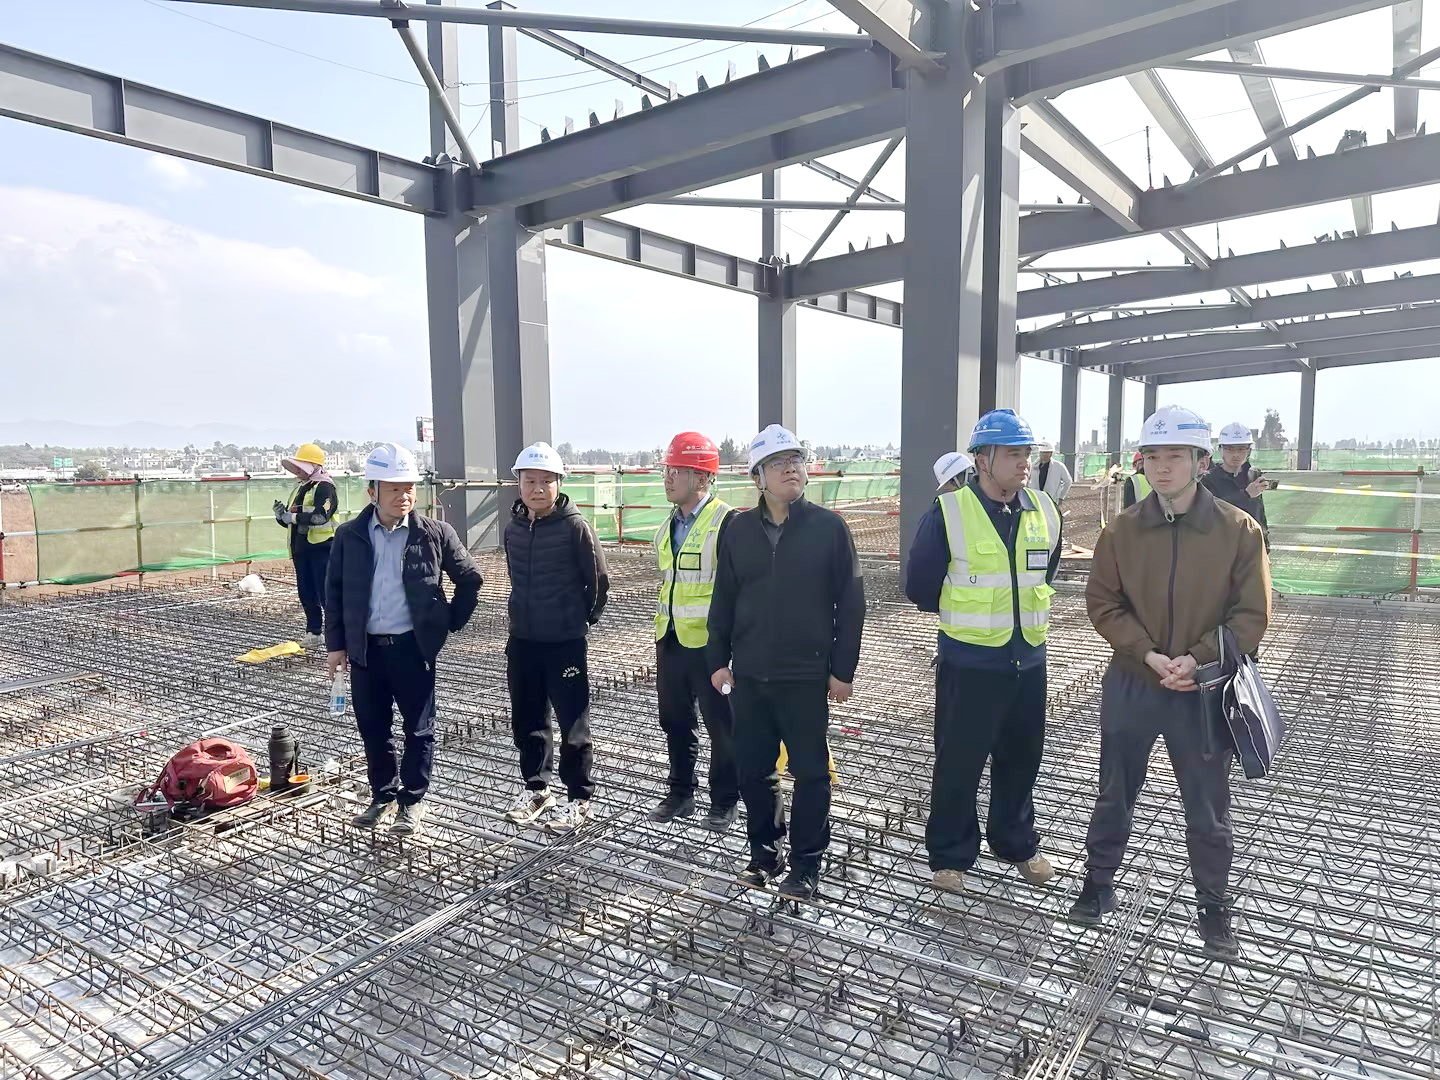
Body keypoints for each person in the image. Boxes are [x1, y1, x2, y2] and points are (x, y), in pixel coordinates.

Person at [1072, 405, 1270, 960]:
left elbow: (1251, 614)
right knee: (1114, 791)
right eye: (1153, 456)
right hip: (1135, 681)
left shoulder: (1237, 530)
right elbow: (1103, 603)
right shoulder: (1122, 530)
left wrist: (1198, 660)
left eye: (1175, 457)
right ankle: (1097, 884)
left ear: (1201, 462)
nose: (1162, 468)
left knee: (1207, 804)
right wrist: (1149, 653)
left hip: (1202, 691)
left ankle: (1214, 907)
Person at [905, 409, 1062, 895]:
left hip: (1028, 661)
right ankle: (950, 856)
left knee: (1021, 759)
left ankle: (1016, 843)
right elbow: (920, 585)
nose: (1023, 463)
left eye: (1025, 453)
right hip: (970, 663)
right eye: (1012, 454)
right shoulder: (950, 511)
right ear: (982, 460)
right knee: (959, 762)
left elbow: (1047, 570)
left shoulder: (1043, 510)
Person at [707, 424, 865, 900]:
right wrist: (717, 660)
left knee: (812, 772)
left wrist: (842, 670)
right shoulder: (738, 531)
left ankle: (806, 864)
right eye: (777, 463)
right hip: (750, 675)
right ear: (758, 477)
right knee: (754, 770)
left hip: (805, 675)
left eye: (795, 459)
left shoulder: (829, 529)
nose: (790, 468)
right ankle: (765, 854)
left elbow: (851, 603)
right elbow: (724, 598)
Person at [325, 442, 482, 838]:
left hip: (413, 649)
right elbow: (335, 592)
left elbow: (470, 578)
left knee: (419, 729)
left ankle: (411, 801)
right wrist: (336, 645)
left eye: (409, 487)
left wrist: (448, 622)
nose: (404, 495)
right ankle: (382, 795)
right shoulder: (349, 535)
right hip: (366, 651)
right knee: (373, 729)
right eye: (394, 488)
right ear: (372, 491)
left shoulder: (434, 533)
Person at [501, 441, 610, 835]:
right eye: (530, 480)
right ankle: (537, 788)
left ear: (558, 484)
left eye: (546, 481)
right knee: (528, 717)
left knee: (572, 721)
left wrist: (579, 621)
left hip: (564, 642)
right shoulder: (513, 528)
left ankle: (579, 798)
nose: (538, 488)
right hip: (523, 639)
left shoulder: (574, 527)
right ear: (519, 484)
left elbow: (598, 581)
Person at [650, 431, 740, 832]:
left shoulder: (727, 523)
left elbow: (738, 588)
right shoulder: (668, 525)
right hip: (671, 638)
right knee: (674, 719)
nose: (668, 478)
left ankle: (724, 801)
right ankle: (680, 793)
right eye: (667, 470)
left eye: (678, 471)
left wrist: (731, 649)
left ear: (702, 477)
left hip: (712, 646)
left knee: (722, 725)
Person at [274, 442, 338, 650]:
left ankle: (336, 635)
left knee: (326, 594)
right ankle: (314, 632)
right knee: (306, 593)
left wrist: (292, 517)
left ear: (313, 466)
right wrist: (281, 516)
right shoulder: (301, 487)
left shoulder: (325, 487)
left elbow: (320, 516)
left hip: (321, 549)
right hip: (301, 550)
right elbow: (291, 520)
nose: (297, 470)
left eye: (301, 466)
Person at [1202, 422, 1271, 549]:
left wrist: (1265, 542)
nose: (1235, 454)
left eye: (1241, 449)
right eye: (1230, 449)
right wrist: (1246, 495)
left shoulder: (1253, 475)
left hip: (1252, 545)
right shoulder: (1208, 479)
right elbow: (1211, 511)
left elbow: (1259, 511)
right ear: (1220, 450)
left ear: (1249, 451)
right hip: (1222, 547)